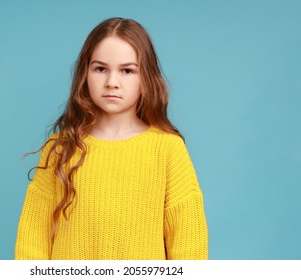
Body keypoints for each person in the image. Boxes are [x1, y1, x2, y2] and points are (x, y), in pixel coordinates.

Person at [15, 17, 208, 260]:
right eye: (100, 69)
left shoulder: (168, 149)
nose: (112, 83)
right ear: (85, 73)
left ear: (145, 77)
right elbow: (32, 240)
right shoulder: (60, 148)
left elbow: (189, 243)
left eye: (127, 70)